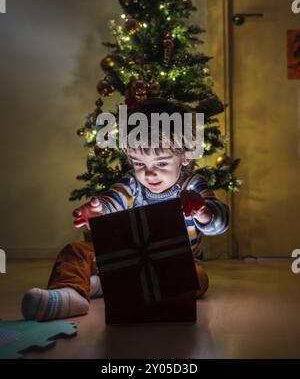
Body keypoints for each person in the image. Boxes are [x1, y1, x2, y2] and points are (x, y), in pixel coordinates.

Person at [21, 98, 230, 321]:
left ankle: (105, 286)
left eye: (161, 163)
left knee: (198, 278)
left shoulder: (193, 186)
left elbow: (220, 221)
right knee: (77, 250)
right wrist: (99, 209)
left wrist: (202, 211)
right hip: (126, 260)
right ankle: (69, 294)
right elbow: (115, 198)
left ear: (185, 156)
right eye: (139, 163)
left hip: (173, 265)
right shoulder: (133, 184)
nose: (149, 174)